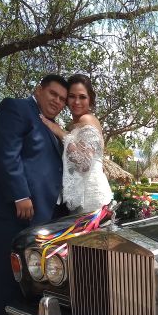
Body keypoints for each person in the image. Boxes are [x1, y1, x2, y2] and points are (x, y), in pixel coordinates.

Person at [0, 74, 69, 315]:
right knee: (1, 275)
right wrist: (20, 194)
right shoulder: (16, 108)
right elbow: (6, 153)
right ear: (38, 90)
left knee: (31, 277)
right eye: (53, 94)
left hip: (41, 218)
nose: (57, 101)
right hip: (11, 211)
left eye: (62, 98)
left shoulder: (46, 124)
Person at [39, 74, 113, 214]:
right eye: (72, 96)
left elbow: (84, 163)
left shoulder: (88, 119)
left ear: (90, 100)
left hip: (91, 199)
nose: (77, 101)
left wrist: (61, 133)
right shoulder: (72, 124)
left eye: (82, 97)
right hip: (78, 198)